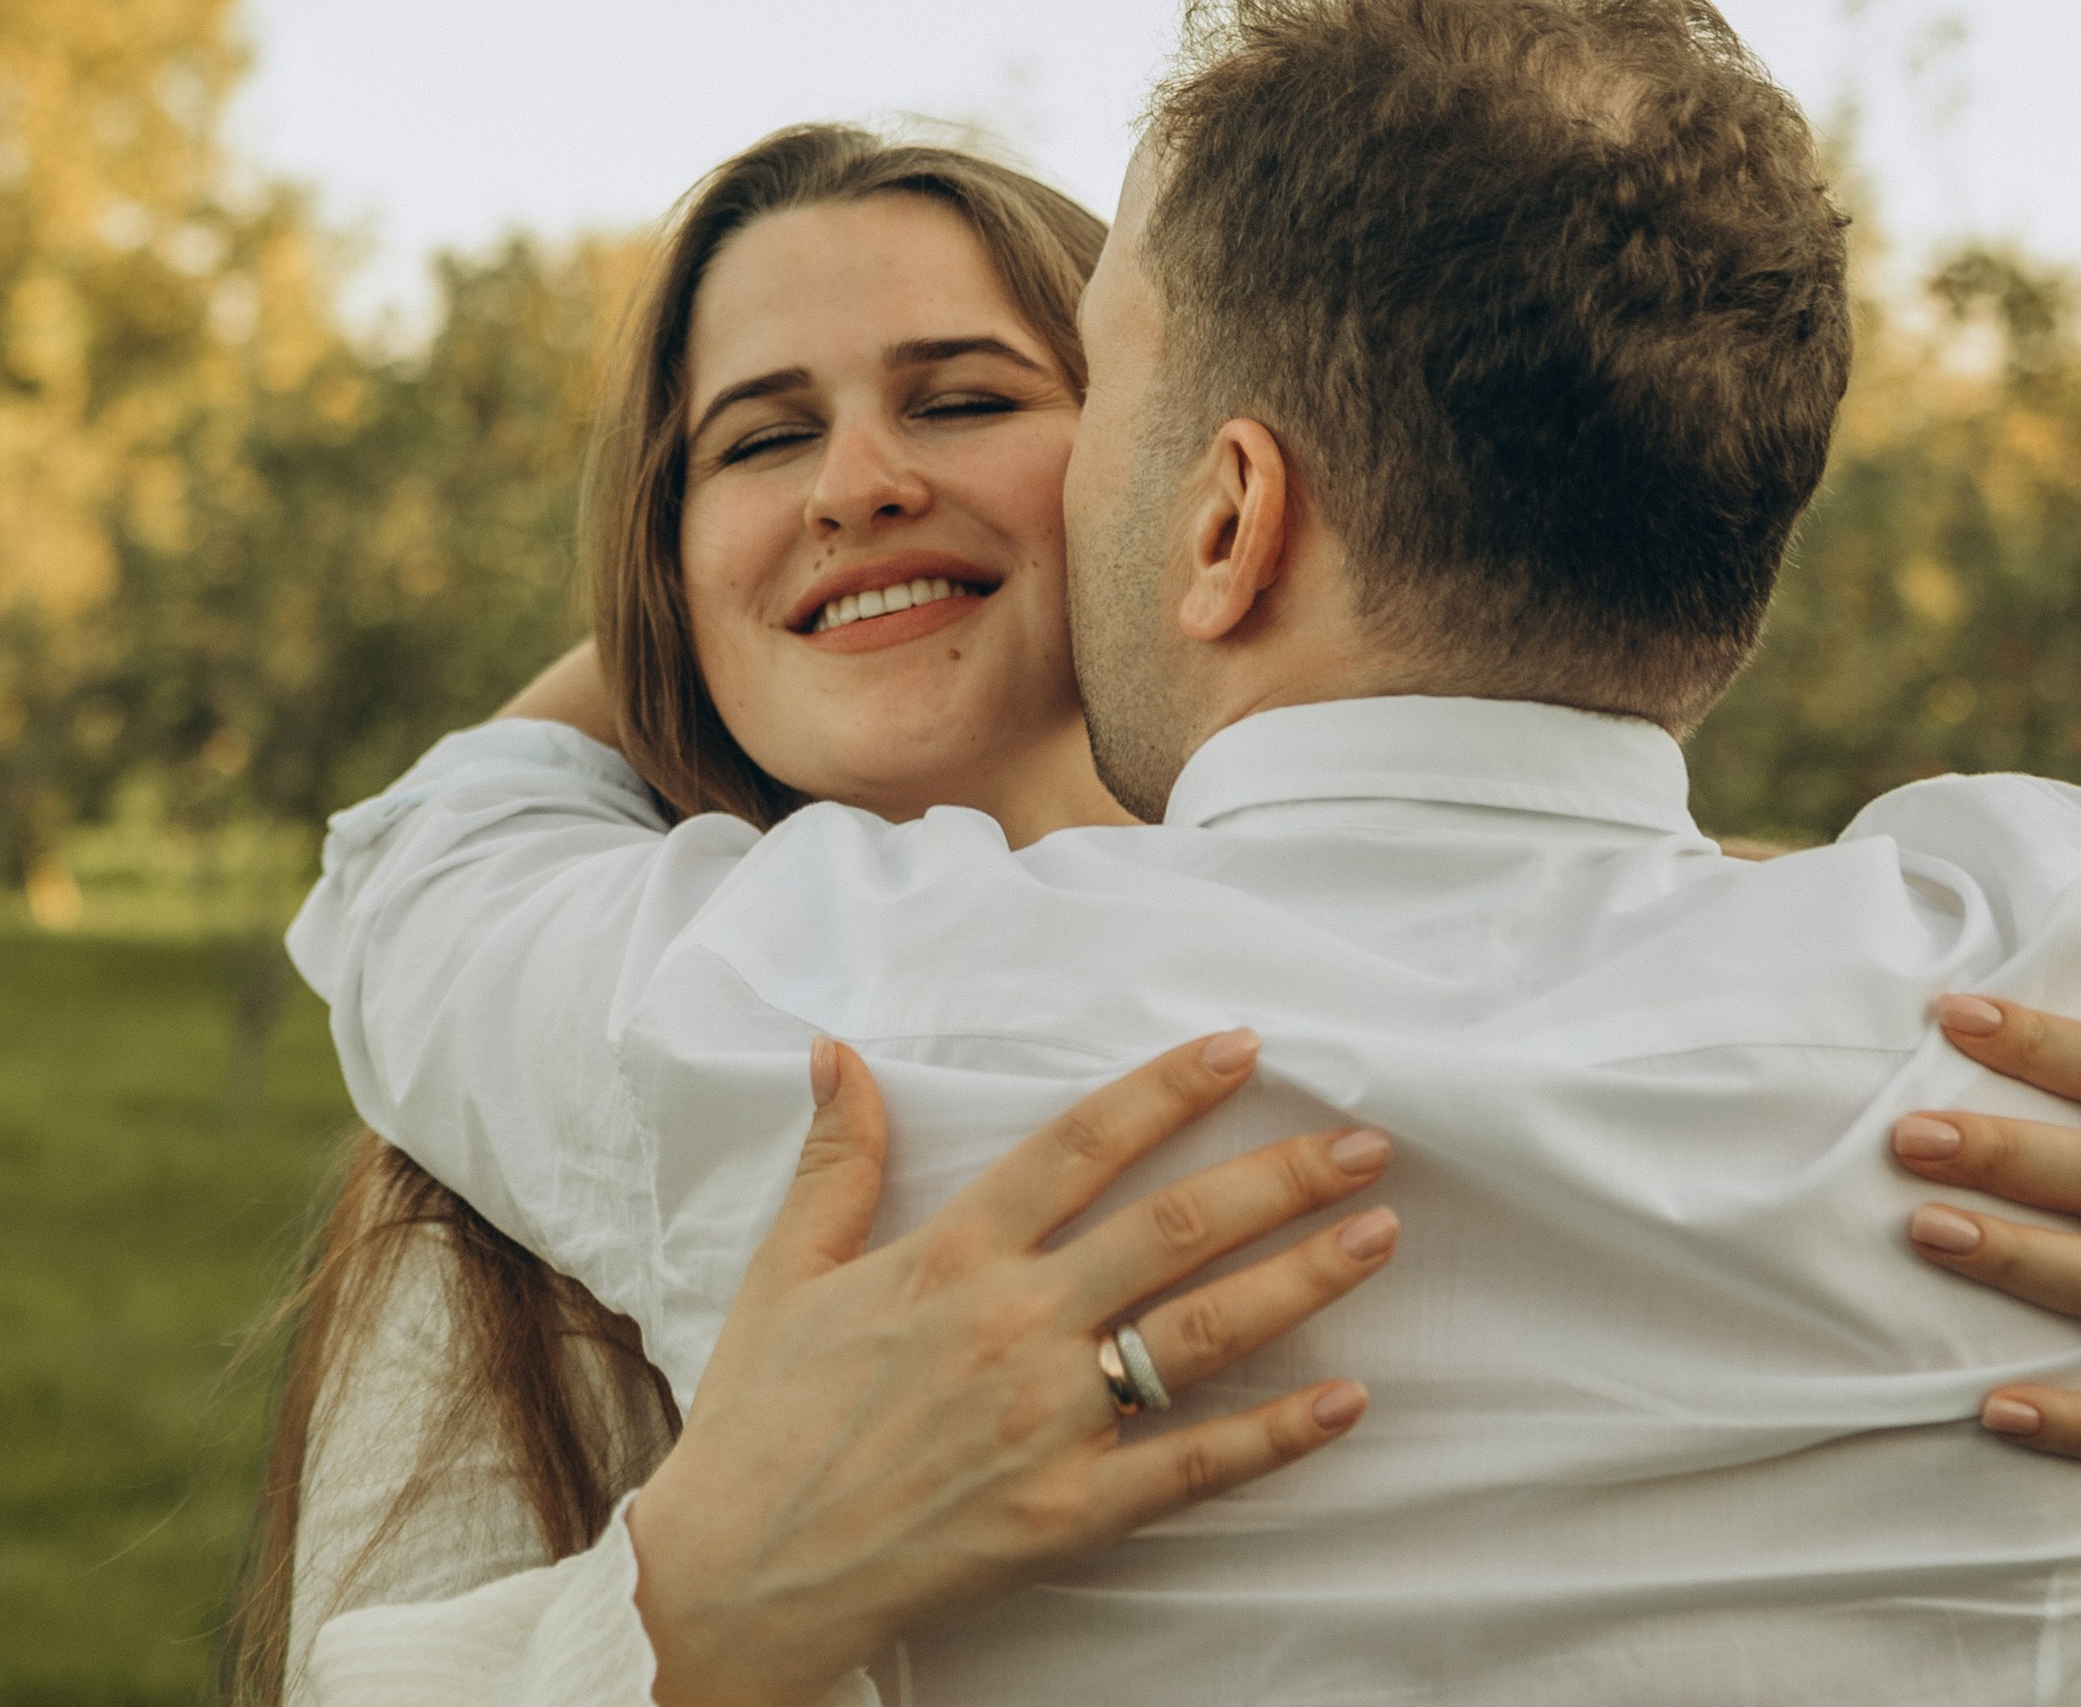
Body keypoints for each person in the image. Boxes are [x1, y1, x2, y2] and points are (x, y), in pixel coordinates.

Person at [274, 9, 2081, 1699]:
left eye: (997, 406)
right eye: (759, 443)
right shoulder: (2001, 961)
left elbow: (428, 859)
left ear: (1223, 512)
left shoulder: (803, 1020)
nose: (862, 482)